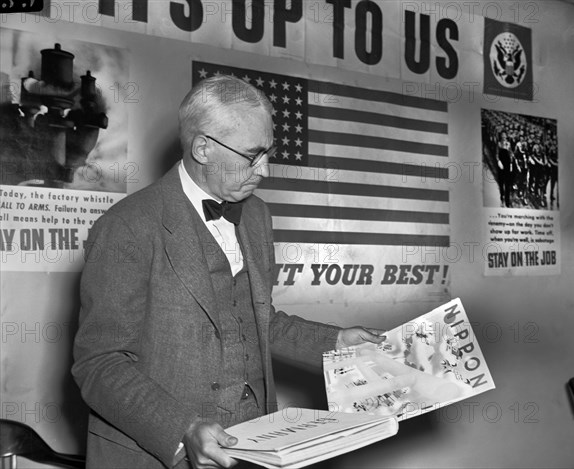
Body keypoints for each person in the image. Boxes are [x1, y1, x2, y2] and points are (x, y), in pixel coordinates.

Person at [72, 75, 385, 469]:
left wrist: (336, 340)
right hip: (155, 455)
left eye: (268, 152)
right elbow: (99, 364)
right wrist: (182, 428)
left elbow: (253, 322)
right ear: (202, 148)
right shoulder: (126, 226)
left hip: (254, 448)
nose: (265, 170)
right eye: (252, 155)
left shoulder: (256, 214)